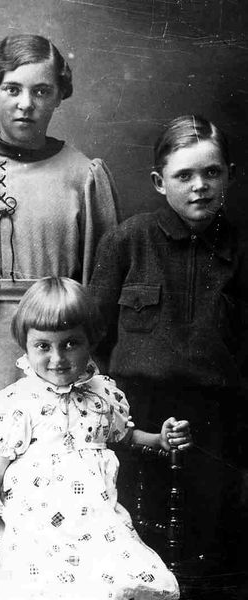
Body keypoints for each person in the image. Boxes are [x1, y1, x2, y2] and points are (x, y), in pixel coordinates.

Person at [0, 277, 191, 600]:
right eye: (43, 346)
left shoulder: (102, 396)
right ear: (25, 345)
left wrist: (158, 439)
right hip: (35, 536)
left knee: (119, 583)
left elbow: (124, 436)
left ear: (90, 341)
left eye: (70, 343)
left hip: (98, 531)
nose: (58, 358)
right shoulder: (14, 407)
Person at [0, 34, 119, 402]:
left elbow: (101, 284)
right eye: (12, 89)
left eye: (41, 91)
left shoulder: (84, 175)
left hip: (58, 339)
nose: (25, 104)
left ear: (59, 96)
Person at [89, 115, 248, 568]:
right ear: (160, 182)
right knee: (135, 537)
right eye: (184, 175)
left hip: (217, 419)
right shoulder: (127, 241)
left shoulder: (241, 249)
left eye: (211, 172)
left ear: (230, 176)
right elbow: (94, 332)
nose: (200, 186)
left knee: (209, 544)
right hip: (136, 413)